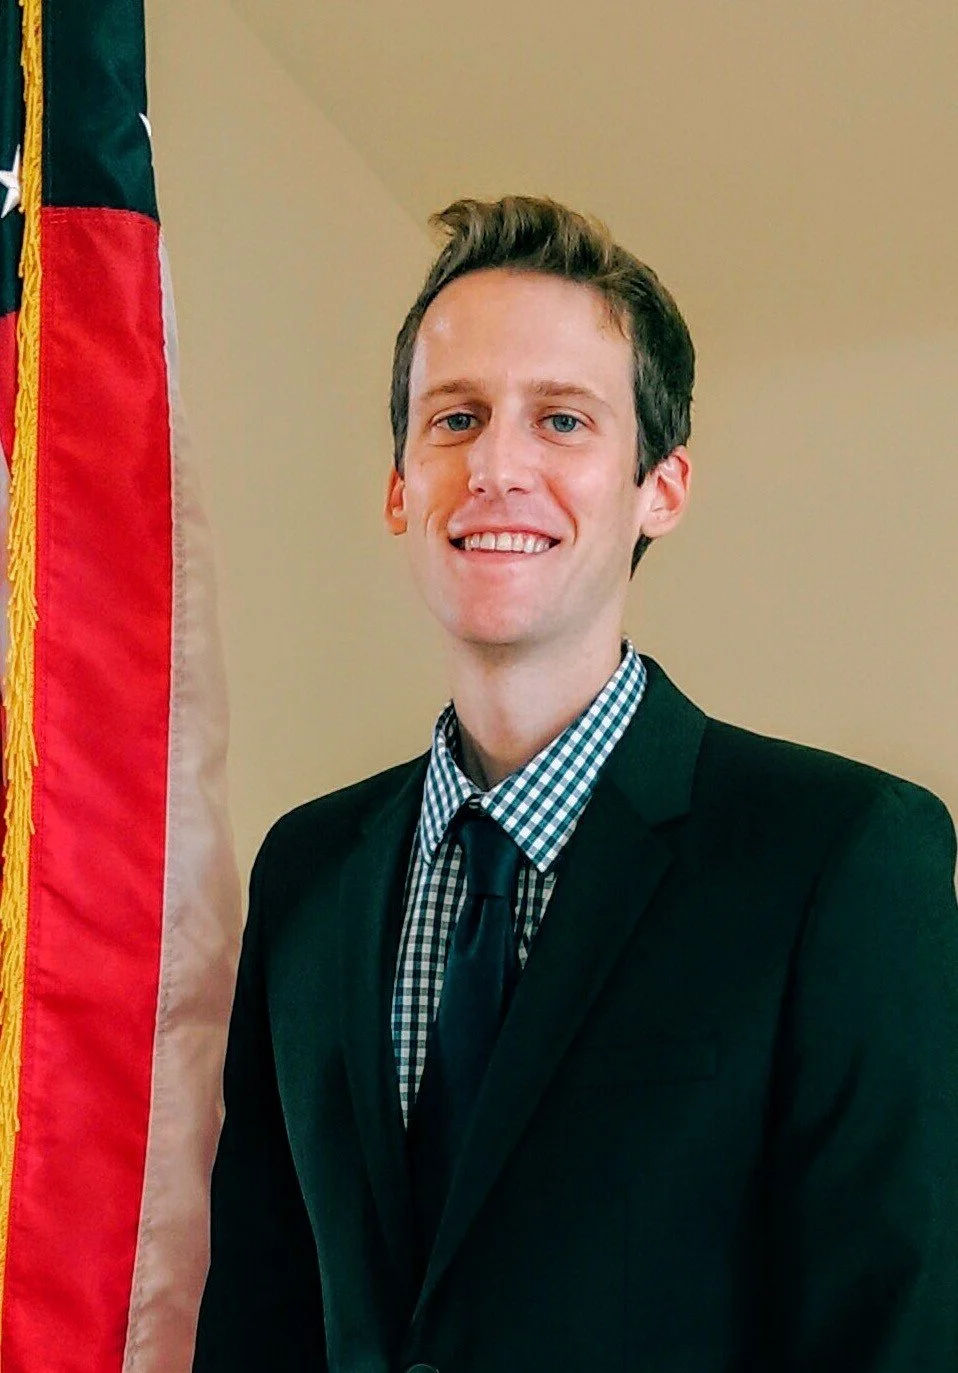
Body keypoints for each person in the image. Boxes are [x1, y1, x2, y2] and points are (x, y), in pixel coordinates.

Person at [192, 196, 958, 1372]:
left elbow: (891, 1332)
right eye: (454, 418)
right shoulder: (308, 870)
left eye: (560, 418)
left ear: (662, 484)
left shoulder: (846, 857)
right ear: (399, 485)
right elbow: (260, 1314)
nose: (497, 464)